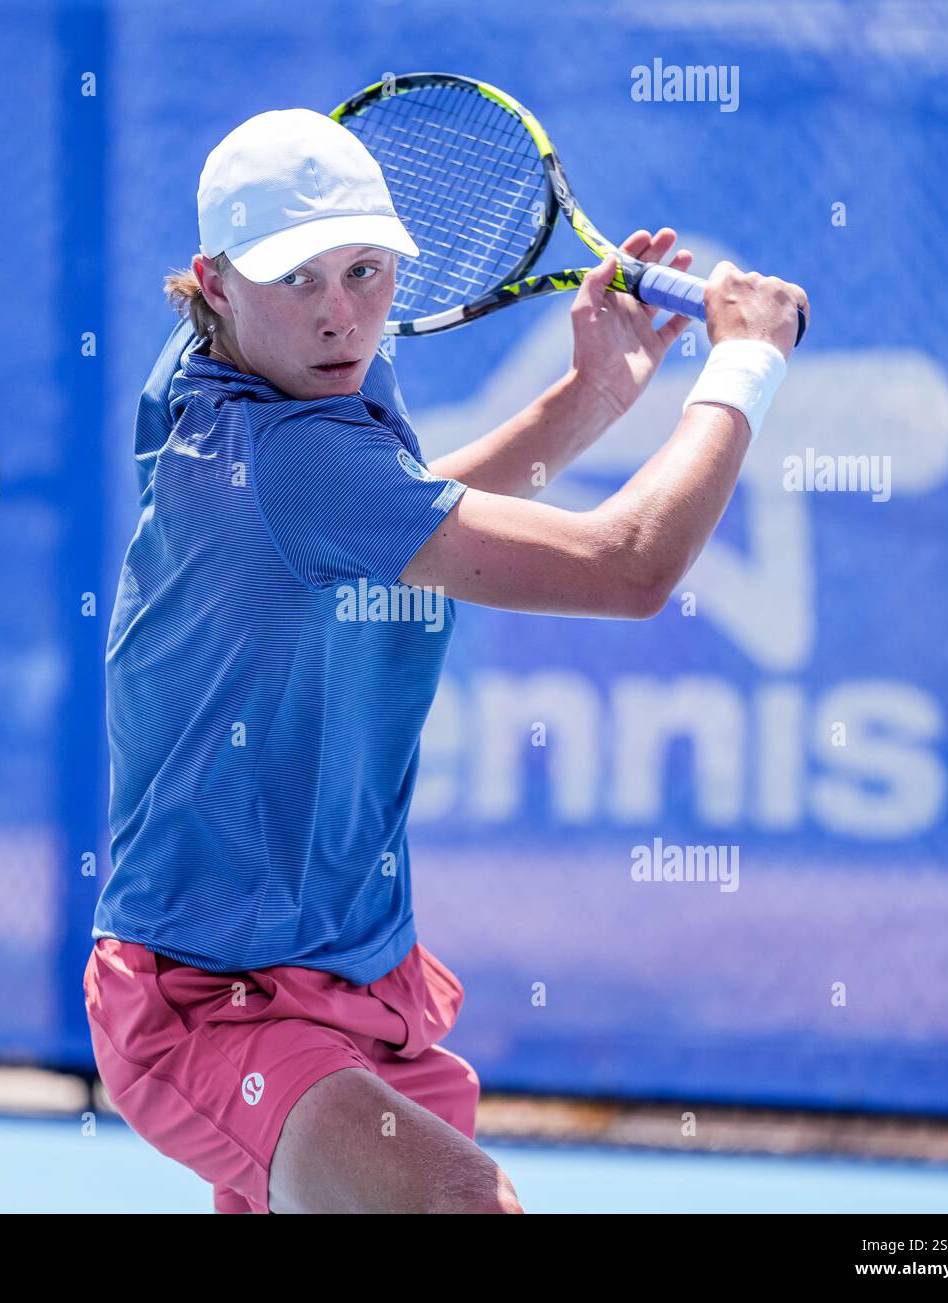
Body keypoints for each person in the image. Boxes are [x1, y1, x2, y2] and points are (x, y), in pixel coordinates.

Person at [83, 106, 807, 1215]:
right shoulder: (286, 455)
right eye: (298, 280)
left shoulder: (262, 374)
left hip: (359, 978)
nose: (340, 315)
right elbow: (626, 568)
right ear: (213, 283)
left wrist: (588, 401)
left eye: (365, 271)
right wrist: (746, 362)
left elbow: (397, 527)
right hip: (213, 998)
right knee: (464, 1204)